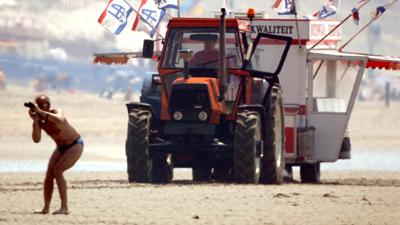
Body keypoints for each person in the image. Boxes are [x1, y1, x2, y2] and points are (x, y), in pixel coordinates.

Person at [28, 95, 83, 215]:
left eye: (44, 106)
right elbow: (36, 140)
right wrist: (36, 121)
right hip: (61, 147)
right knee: (49, 174)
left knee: (58, 171)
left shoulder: (56, 112)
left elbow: (60, 120)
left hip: (74, 145)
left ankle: (64, 208)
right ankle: (46, 208)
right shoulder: (41, 121)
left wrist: (40, 112)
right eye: (40, 106)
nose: (43, 108)